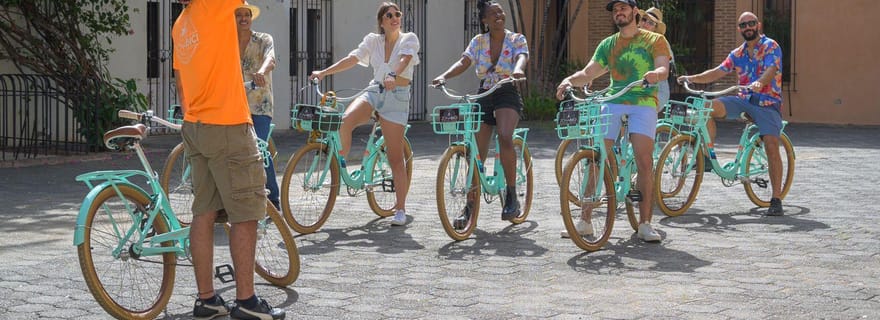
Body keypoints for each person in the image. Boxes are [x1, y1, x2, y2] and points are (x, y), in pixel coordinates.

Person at [172, 0, 285, 319]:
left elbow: (181, 84)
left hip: (195, 125)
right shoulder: (215, 5)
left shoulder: (181, 23)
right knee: (247, 212)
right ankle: (247, 302)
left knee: (204, 213)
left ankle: (207, 300)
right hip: (228, 125)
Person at [555, 0, 669, 242]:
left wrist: (654, 75)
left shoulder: (653, 40)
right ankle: (585, 221)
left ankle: (645, 223)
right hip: (614, 99)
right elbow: (588, 73)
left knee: (644, 159)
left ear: (635, 12)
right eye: (615, 10)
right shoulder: (608, 44)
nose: (619, 12)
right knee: (596, 156)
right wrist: (568, 80)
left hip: (643, 101)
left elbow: (663, 69)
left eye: (623, 8)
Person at [308, 2, 419, 226]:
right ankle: (340, 166)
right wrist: (323, 72)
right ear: (381, 21)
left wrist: (391, 75)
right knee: (345, 121)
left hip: (396, 96)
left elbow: (404, 60)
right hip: (374, 90)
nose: (395, 17)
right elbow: (352, 58)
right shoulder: (373, 40)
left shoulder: (409, 39)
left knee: (396, 158)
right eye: (389, 15)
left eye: (397, 14)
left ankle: (400, 209)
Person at [432, 0, 529, 228]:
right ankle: (469, 208)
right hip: (485, 93)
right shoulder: (478, 41)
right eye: (493, 13)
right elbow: (464, 61)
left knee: (505, 136)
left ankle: (512, 197)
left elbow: (521, 56)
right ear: (484, 20)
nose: (499, 15)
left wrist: (517, 70)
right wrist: (444, 76)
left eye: (501, 12)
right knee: (475, 153)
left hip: (506, 91)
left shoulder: (516, 39)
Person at [678, 11, 785, 216]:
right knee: (706, 107)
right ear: (739, 29)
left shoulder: (771, 46)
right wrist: (691, 78)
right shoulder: (737, 53)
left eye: (751, 23)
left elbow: (771, 70)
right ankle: (708, 156)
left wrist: (759, 83)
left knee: (771, 144)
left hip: (767, 103)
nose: (748, 27)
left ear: (758, 25)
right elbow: (717, 71)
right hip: (743, 100)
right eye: (743, 25)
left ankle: (776, 198)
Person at [236, 2, 280, 210]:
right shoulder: (227, 42)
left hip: (260, 104)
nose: (243, 18)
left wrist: (262, 71)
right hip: (234, 104)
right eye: (239, 15)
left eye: (247, 15)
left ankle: (273, 199)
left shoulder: (263, 39)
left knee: (259, 148)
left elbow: (271, 58)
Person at [638, 7, 674, 109]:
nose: (645, 24)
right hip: (633, 89)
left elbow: (663, 67)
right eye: (644, 20)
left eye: (651, 23)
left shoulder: (660, 41)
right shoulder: (632, 39)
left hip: (655, 90)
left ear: (655, 28)